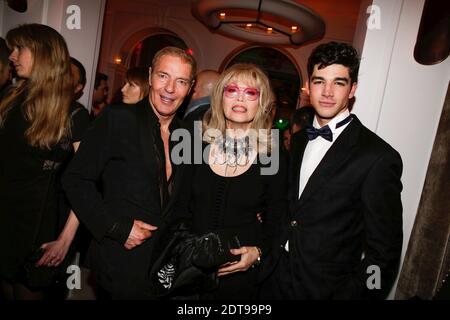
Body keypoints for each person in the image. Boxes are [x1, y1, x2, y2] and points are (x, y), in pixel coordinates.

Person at [260, 41, 403, 300]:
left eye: (338, 82)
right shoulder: (300, 139)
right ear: (308, 87)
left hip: (326, 291)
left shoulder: (378, 157)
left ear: (352, 89)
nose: (327, 92)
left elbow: (384, 255)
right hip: (274, 279)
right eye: (319, 81)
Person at [62, 47, 196, 299]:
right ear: (150, 75)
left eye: (181, 81)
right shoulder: (118, 119)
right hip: (119, 257)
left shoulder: (189, 134)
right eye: (163, 76)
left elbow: (184, 200)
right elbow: (76, 179)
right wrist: (117, 227)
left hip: (164, 266)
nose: (170, 89)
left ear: (190, 88)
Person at [173, 63, 287, 299]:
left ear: (261, 102)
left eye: (250, 93)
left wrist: (258, 252)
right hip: (189, 270)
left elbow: (278, 217)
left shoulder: (271, 153)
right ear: (220, 96)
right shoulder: (195, 142)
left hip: (239, 275)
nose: (240, 99)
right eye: (232, 90)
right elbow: (178, 207)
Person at [0, 24, 79, 300]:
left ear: (43, 54)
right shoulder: (8, 99)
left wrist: (66, 240)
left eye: (19, 48)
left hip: (35, 229)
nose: (12, 55)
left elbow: (88, 180)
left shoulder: (72, 114)